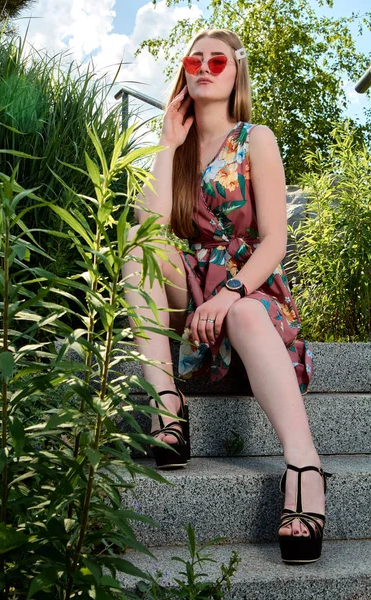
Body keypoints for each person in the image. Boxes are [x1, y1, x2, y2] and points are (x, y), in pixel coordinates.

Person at [122, 28, 332, 564]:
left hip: (247, 286)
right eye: (196, 60)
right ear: (185, 73)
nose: (206, 68)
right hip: (189, 287)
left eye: (219, 60)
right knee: (136, 247)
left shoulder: (255, 138)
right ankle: (169, 407)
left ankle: (305, 467)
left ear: (235, 72)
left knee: (240, 310)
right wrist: (167, 147)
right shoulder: (177, 146)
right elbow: (150, 226)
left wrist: (231, 290)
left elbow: (275, 241)